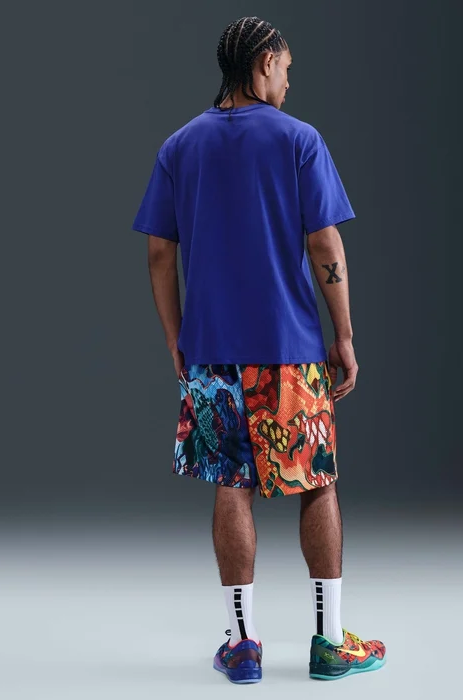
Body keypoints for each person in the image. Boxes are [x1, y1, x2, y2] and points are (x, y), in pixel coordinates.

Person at [131, 16, 386, 684]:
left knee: (231, 486)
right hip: (290, 350)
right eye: (287, 68)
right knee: (316, 483)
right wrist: (345, 336)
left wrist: (175, 337)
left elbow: (159, 252)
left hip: (212, 352)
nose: (289, 82)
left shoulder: (180, 146)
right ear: (265, 61)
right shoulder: (299, 140)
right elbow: (324, 243)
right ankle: (328, 641)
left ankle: (242, 646)